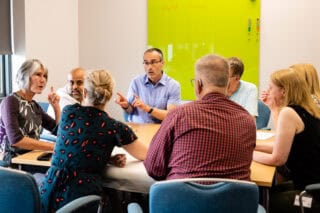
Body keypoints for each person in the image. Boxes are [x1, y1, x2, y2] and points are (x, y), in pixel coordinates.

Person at [39, 69, 148, 212]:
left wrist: (106, 158)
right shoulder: (114, 127)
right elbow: (145, 154)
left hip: (49, 191)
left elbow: (73, 145)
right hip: (81, 198)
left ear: (85, 92)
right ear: (108, 97)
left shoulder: (67, 112)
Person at [144, 54, 256, 181]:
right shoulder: (247, 120)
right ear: (228, 85)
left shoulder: (178, 115)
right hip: (233, 199)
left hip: (182, 199)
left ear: (198, 85)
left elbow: (153, 168)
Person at [253, 68, 320, 212]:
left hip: (310, 198)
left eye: (271, 88)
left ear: (283, 91)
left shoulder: (288, 113)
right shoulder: (306, 109)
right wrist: (253, 146)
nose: (268, 91)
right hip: (311, 187)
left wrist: (248, 154)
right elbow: (281, 145)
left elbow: (277, 159)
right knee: (263, 192)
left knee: (262, 201)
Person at [0, 59, 60, 164]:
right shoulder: (10, 101)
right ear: (24, 76)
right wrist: (54, 147)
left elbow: (58, 131)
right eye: (38, 74)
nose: (43, 80)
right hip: (11, 163)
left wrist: (56, 107)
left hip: (30, 159)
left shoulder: (34, 105)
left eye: (45, 76)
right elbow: (16, 140)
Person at [115, 48, 181, 123]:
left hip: (160, 130)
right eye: (146, 63)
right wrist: (126, 106)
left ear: (162, 63)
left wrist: (146, 108)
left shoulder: (173, 85)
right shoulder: (136, 82)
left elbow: (170, 115)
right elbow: (130, 111)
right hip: (138, 128)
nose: (149, 67)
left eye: (153, 62)